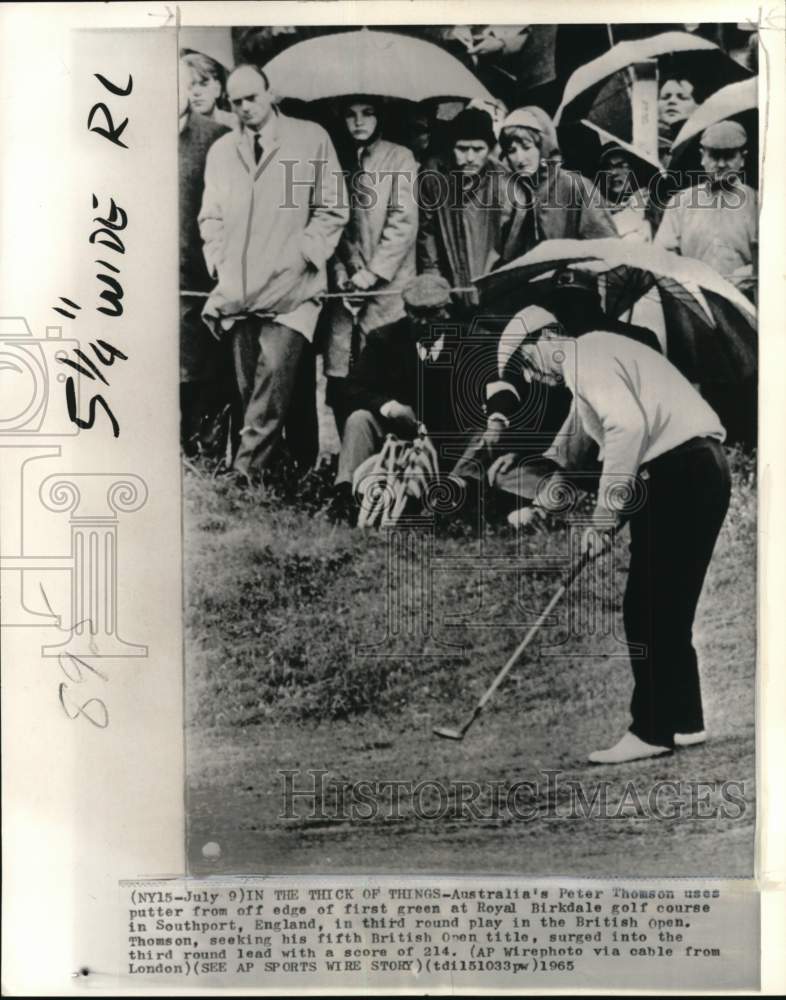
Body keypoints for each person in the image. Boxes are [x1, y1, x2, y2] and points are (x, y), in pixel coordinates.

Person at [503, 312, 730, 764]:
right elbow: (573, 449)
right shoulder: (591, 358)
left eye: (527, 361)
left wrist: (604, 520)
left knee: (646, 605)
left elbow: (627, 428)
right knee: (665, 605)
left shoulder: (587, 357)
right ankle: (684, 720)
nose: (533, 376)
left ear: (550, 337)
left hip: (680, 472)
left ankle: (652, 730)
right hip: (695, 469)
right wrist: (540, 503)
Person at [198, 64, 349, 482]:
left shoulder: (310, 138)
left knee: (271, 381)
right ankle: (279, 475)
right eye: (236, 102)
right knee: (252, 390)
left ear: (270, 93)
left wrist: (303, 253)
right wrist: (219, 259)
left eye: (252, 98)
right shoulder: (223, 152)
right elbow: (210, 216)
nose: (245, 108)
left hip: (292, 288)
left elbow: (333, 207)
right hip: (239, 289)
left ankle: (243, 474)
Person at [324, 97, 418, 436]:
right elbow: (332, 221)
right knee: (341, 370)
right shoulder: (338, 159)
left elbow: (403, 222)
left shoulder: (400, 157)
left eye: (367, 114)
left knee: (384, 368)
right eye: (350, 114)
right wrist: (342, 273)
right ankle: (348, 455)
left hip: (387, 287)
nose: (358, 122)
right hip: (348, 288)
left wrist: (372, 274)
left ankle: (387, 455)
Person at [331, 275, 461, 519]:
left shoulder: (467, 342)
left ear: (447, 311)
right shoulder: (385, 339)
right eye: (414, 313)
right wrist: (391, 408)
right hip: (397, 433)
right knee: (359, 420)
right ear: (404, 309)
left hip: (449, 439)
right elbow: (352, 388)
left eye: (430, 313)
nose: (422, 322)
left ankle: (450, 498)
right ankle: (346, 495)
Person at [178, 60, 232, 455]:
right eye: (186, 84)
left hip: (208, 268)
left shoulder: (221, 135)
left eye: (202, 83)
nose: (193, 91)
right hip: (169, 271)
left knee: (211, 367)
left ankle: (207, 448)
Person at [417, 107, 512, 317]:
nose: (469, 157)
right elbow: (427, 232)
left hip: (490, 288)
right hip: (449, 285)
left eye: (478, 149)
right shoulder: (433, 173)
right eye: (462, 148)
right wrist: (433, 280)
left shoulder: (503, 180)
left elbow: (509, 239)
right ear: (452, 147)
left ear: (490, 149)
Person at [497, 106, 617, 263]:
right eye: (512, 150)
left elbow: (607, 246)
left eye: (527, 147)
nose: (520, 158)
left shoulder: (576, 186)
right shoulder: (509, 189)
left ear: (544, 146)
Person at [655, 120, 757, 286]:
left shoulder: (758, 204)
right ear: (703, 156)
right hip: (695, 298)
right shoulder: (681, 202)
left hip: (745, 301)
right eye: (714, 156)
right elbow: (663, 255)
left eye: (729, 156)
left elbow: (774, 259)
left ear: (742, 158)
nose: (722, 164)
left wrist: (746, 275)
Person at [181, 50, 237, 130]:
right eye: (189, 86)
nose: (196, 92)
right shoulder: (181, 128)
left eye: (204, 84)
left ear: (217, 89)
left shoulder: (236, 124)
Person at [657, 76, 699, 166]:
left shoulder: (702, 146)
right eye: (665, 97)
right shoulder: (640, 143)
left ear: (697, 107)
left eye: (682, 97)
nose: (672, 101)